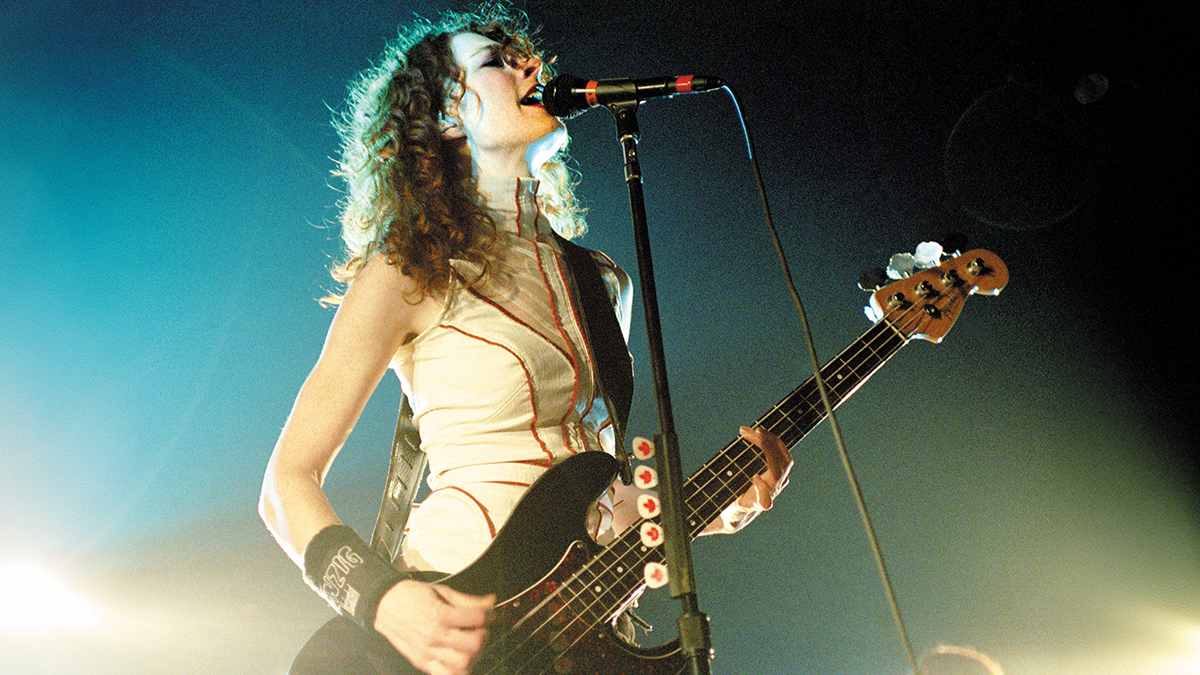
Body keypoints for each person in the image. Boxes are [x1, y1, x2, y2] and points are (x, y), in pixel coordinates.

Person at [258, 6, 792, 675]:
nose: (532, 67)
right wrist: (385, 599)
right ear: (449, 116)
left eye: (524, 56)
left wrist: (720, 509)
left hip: (566, 647)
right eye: (496, 61)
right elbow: (285, 484)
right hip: (447, 628)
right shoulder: (411, 270)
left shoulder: (601, 283)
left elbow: (595, 493)